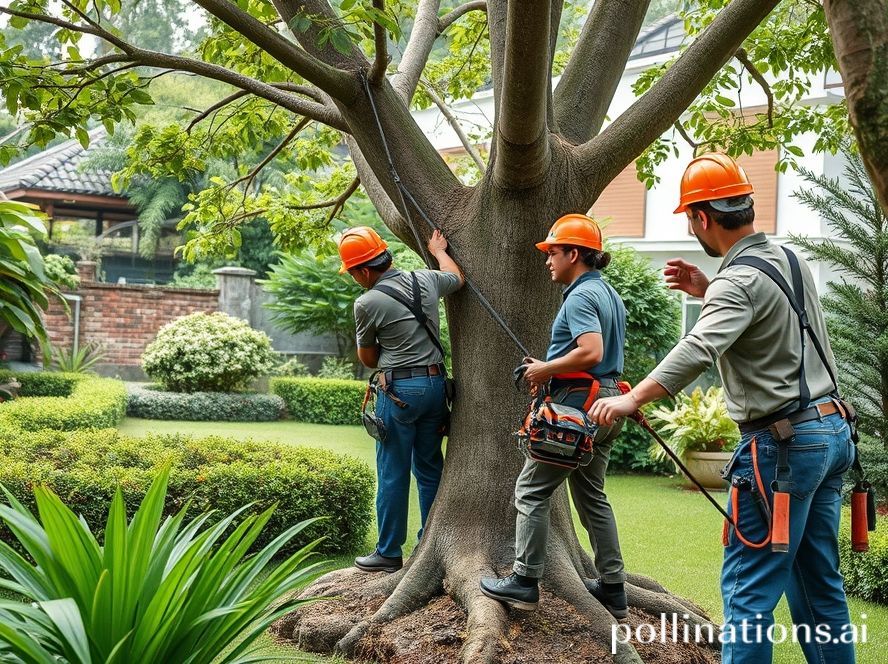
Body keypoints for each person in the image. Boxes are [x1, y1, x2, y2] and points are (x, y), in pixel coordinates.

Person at [589, 153, 857, 663]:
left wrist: (630, 397)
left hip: (782, 450)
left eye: (689, 219)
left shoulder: (737, 282)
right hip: (830, 433)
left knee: (749, 592)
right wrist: (707, 289)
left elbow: (696, 350)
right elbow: (773, 319)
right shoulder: (789, 260)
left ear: (702, 218)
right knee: (819, 584)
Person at [479, 213, 629, 616]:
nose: (547, 259)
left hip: (577, 406)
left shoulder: (580, 296)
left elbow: (592, 350)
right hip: (607, 403)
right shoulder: (608, 293)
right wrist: (549, 365)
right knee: (593, 497)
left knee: (531, 491)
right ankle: (614, 587)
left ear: (574, 254)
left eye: (554, 252)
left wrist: (545, 369)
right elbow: (597, 358)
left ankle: (524, 580)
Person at [339, 226, 464, 573]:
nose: (354, 280)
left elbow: (368, 358)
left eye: (352, 273)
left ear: (364, 271)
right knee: (429, 467)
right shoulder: (426, 279)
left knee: (392, 471)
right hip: (437, 387)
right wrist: (438, 250)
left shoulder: (366, 303)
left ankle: (388, 552)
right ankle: (429, 542)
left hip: (399, 393)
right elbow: (457, 278)